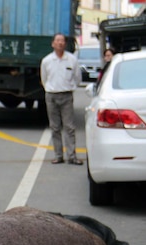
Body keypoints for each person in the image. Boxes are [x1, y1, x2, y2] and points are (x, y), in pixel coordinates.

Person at [40, 33, 82, 165]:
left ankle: (71, 156)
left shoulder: (72, 60)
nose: (60, 43)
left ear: (65, 44)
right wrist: (50, 89)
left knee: (69, 127)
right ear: (53, 44)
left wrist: (70, 87)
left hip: (66, 95)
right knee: (55, 127)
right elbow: (44, 79)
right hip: (51, 96)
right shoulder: (47, 61)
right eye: (57, 41)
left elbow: (77, 78)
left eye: (62, 41)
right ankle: (58, 155)